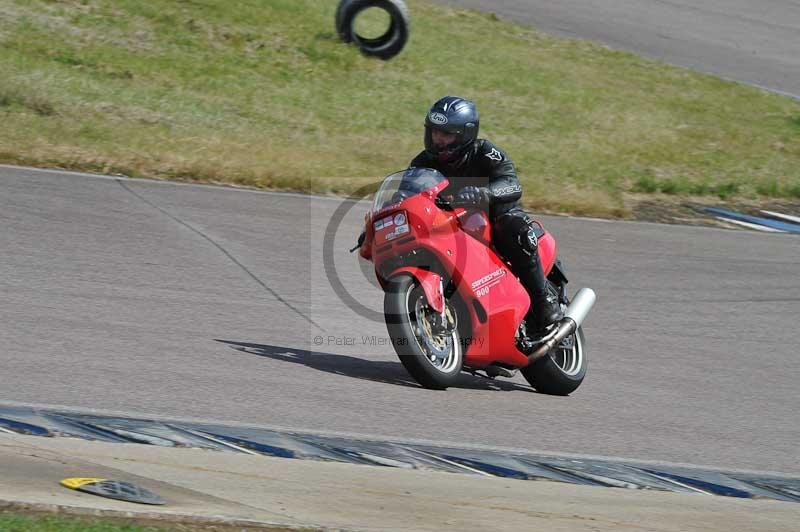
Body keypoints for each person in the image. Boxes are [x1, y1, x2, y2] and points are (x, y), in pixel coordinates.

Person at [408, 95, 562, 333]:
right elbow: (407, 196)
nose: (438, 139)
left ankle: (543, 301)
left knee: (514, 230)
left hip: (494, 218)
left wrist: (485, 192)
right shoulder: (422, 163)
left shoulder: (486, 153)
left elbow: (512, 183)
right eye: (435, 132)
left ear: (465, 135)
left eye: (446, 134)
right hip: (450, 225)